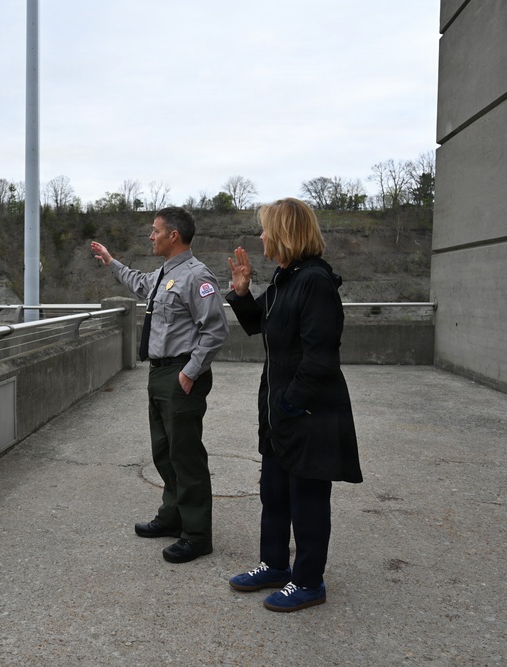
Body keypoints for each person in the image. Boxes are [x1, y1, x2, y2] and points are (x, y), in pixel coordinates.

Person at [225, 197, 362, 611]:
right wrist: (242, 293)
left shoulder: (314, 281)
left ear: (285, 233)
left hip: (308, 414)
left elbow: (320, 358)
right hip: (281, 414)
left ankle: (308, 582)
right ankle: (274, 565)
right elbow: (260, 325)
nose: (262, 236)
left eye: (267, 229)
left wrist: (289, 405)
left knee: (308, 500)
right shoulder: (286, 277)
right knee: (275, 493)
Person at [91, 206, 229, 563]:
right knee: (164, 451)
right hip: (160, 373)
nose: (150, 236)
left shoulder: (197, 277)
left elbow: (214, 330)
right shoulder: (165, 275)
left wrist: (189, 372)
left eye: (155, 231)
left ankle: (197, 535)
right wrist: (111, 261)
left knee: (186, 456)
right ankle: (173, 516)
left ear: (174, 236)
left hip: (182, 373)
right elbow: (139, 282)